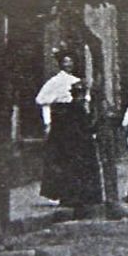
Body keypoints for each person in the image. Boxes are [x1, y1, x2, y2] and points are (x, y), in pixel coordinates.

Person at [35, 49, 84, 204]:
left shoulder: (77, 80)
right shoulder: (55, 81)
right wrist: (48, 122)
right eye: (65, 62)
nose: (68, 65)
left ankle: (73, 191)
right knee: (59, 156)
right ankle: (56, 192)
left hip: (74, 119)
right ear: (60, 64)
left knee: (74, 156)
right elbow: (42, 100)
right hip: (61, 120)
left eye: (71, 62)